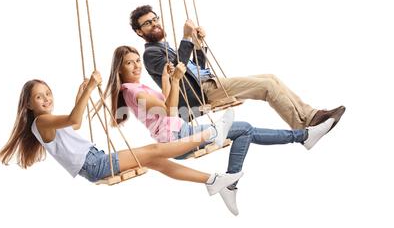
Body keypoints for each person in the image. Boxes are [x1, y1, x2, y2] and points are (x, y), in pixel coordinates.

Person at [106, 46, 335, 216]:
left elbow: (168, 103)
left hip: (181, 131)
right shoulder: (133, 92)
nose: (137, 66)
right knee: (244, 129)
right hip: (176, 139)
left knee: (244, 130)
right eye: (130, 63)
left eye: (137, 61)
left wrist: (167, 78)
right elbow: (169, 109)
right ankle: (303, 137)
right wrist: (175, 80)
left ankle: (231, 184)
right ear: (120, 68)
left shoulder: (137, 88)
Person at [0, 72, 245, 213]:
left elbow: (75, 123)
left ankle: (214, 182)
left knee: (158, 160)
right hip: (95, 164)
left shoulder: (46, 122)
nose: (46, 99)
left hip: (95, 161)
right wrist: (90, 87)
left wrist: (82, 94)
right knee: (155, 150)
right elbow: (74, 117)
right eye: (39, 97)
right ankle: (212, 133)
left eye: (47, 93)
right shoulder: (41, 123)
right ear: (28, 104)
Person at [129, 5, 345, 130]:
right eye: (147, 23)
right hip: (201, 94)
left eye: (155, 19)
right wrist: (185, 38)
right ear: (139, 32)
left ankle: (311, 115)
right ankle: (303, 127)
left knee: (271, 76)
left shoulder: (164, 46)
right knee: (267, 85)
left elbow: (197, 68)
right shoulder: (150, 54)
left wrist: (196, 43)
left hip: (208, 82)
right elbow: (179, 71)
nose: (154, 23)